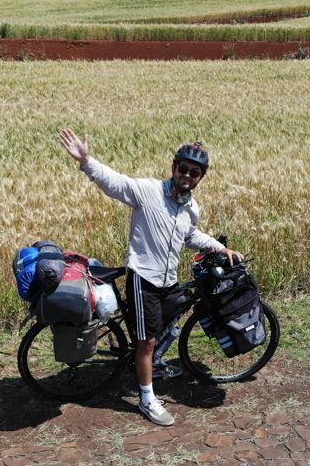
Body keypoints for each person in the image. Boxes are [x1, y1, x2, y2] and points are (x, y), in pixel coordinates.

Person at [59, 129, 242, 427]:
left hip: (167, 279)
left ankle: (149, 365)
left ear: (201, 177)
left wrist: (220, 247)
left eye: (194, 172)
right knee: (146, 342)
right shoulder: (148, 191)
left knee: (168, 321)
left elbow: (190, 235)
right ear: (173, 167)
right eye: (183, 168)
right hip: (143, 277)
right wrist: (86, 161)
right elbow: (115, 183)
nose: (187, 175)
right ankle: (147, 399)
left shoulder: (191, 207)